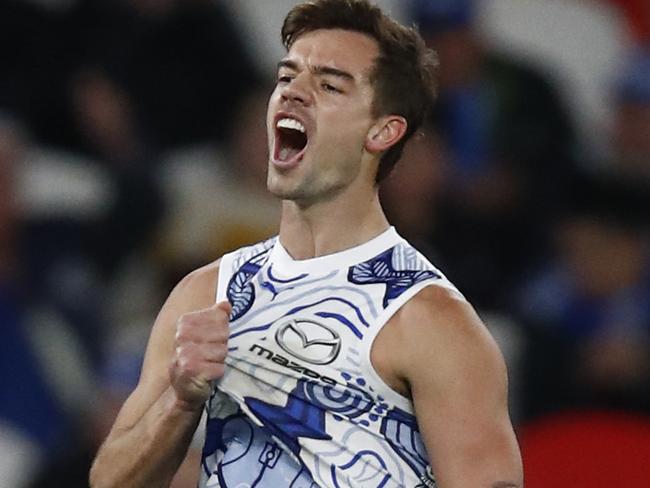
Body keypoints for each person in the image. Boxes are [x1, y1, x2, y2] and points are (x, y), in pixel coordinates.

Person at [89, 1, 522, 487]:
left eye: (329, 85)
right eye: (287, 77)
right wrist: (181, 400)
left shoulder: (430, 321)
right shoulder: (204, 294)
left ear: (383, 130)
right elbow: (111, 482)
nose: (294, 94)